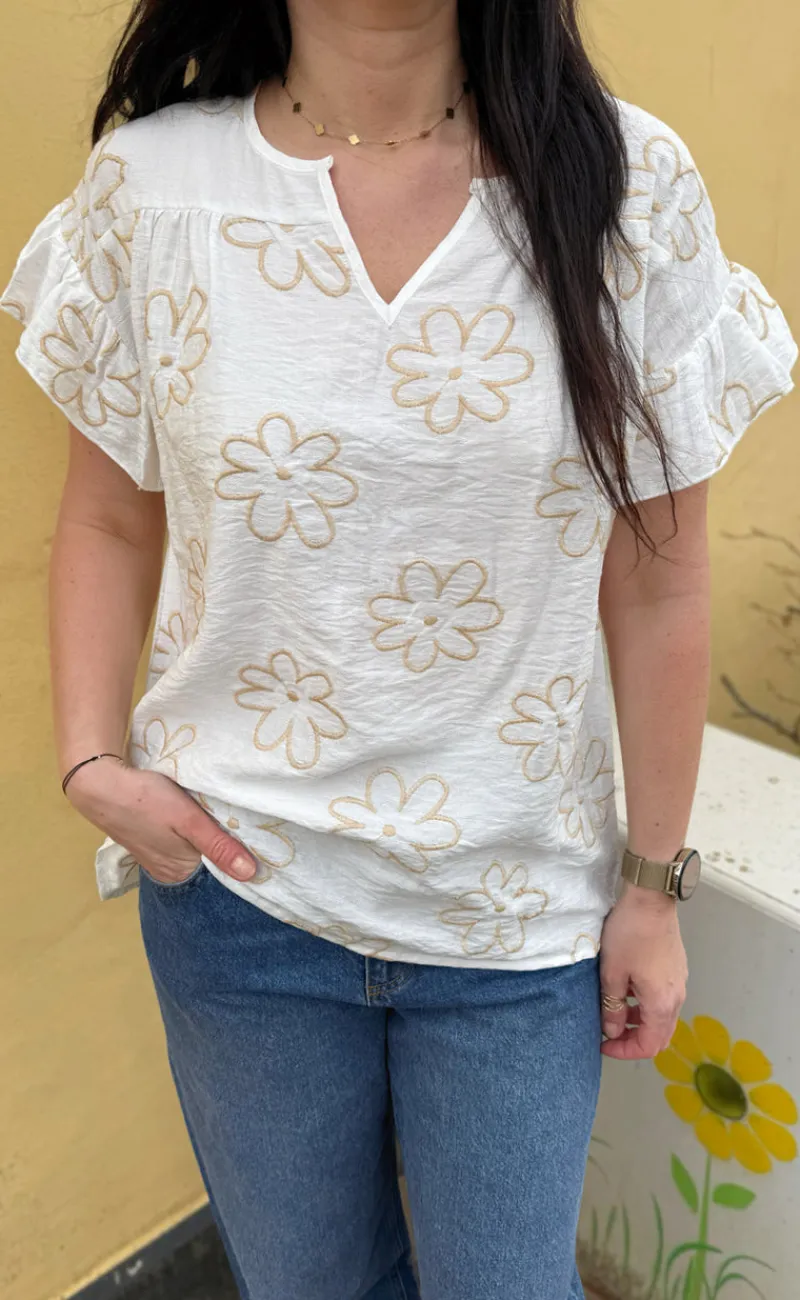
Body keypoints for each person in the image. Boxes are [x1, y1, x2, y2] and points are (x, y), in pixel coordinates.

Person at [2, 0, 796, 1295]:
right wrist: (91, 759)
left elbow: (657, 579)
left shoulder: (624, 187)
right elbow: (107, 514)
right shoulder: (154, 190)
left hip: (519, 918)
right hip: (239, 897)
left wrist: (652, 887)